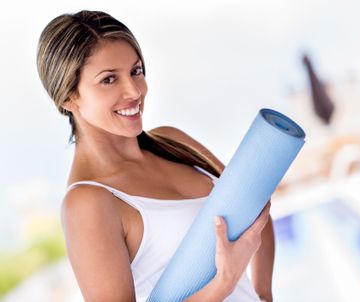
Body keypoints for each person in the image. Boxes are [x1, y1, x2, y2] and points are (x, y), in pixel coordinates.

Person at [36, 10, 274, 302]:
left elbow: (255, 210)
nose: (134, 91)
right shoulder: (88, 204)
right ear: (68, 97)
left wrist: (263, 293)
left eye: (136, 71)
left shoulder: (173, 143)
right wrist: (222, 283)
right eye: (109, 79)